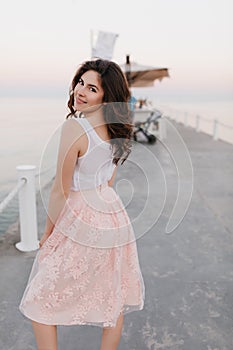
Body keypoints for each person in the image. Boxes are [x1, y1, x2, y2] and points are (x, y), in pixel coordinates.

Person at [19, 59, 145, 350]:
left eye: (92, 88)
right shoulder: (117, 130)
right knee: (113, 299)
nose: (81, 91)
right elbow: (109, 181)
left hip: (81, 216)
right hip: (112, 215)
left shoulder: (75, 128)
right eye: (80, 83)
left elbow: (61, 191)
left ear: (106, 96)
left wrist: (48, 233)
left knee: (40, 301)